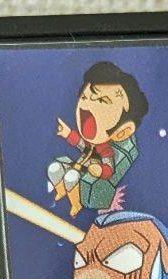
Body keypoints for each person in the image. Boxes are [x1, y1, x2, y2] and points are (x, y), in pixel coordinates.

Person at [48, 61, 148, 215]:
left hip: (84, 175)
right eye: (85, 97)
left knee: (70, 177)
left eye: (102, 101)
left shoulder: (105, 149)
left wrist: (100, 170)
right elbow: (81, 144)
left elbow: (109, 170)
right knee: (54, 168)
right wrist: (68, 133)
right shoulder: (90, 143)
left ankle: (76, 204)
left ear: (122, 132)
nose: (87, 105)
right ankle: (61, 190)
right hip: (77, 167)